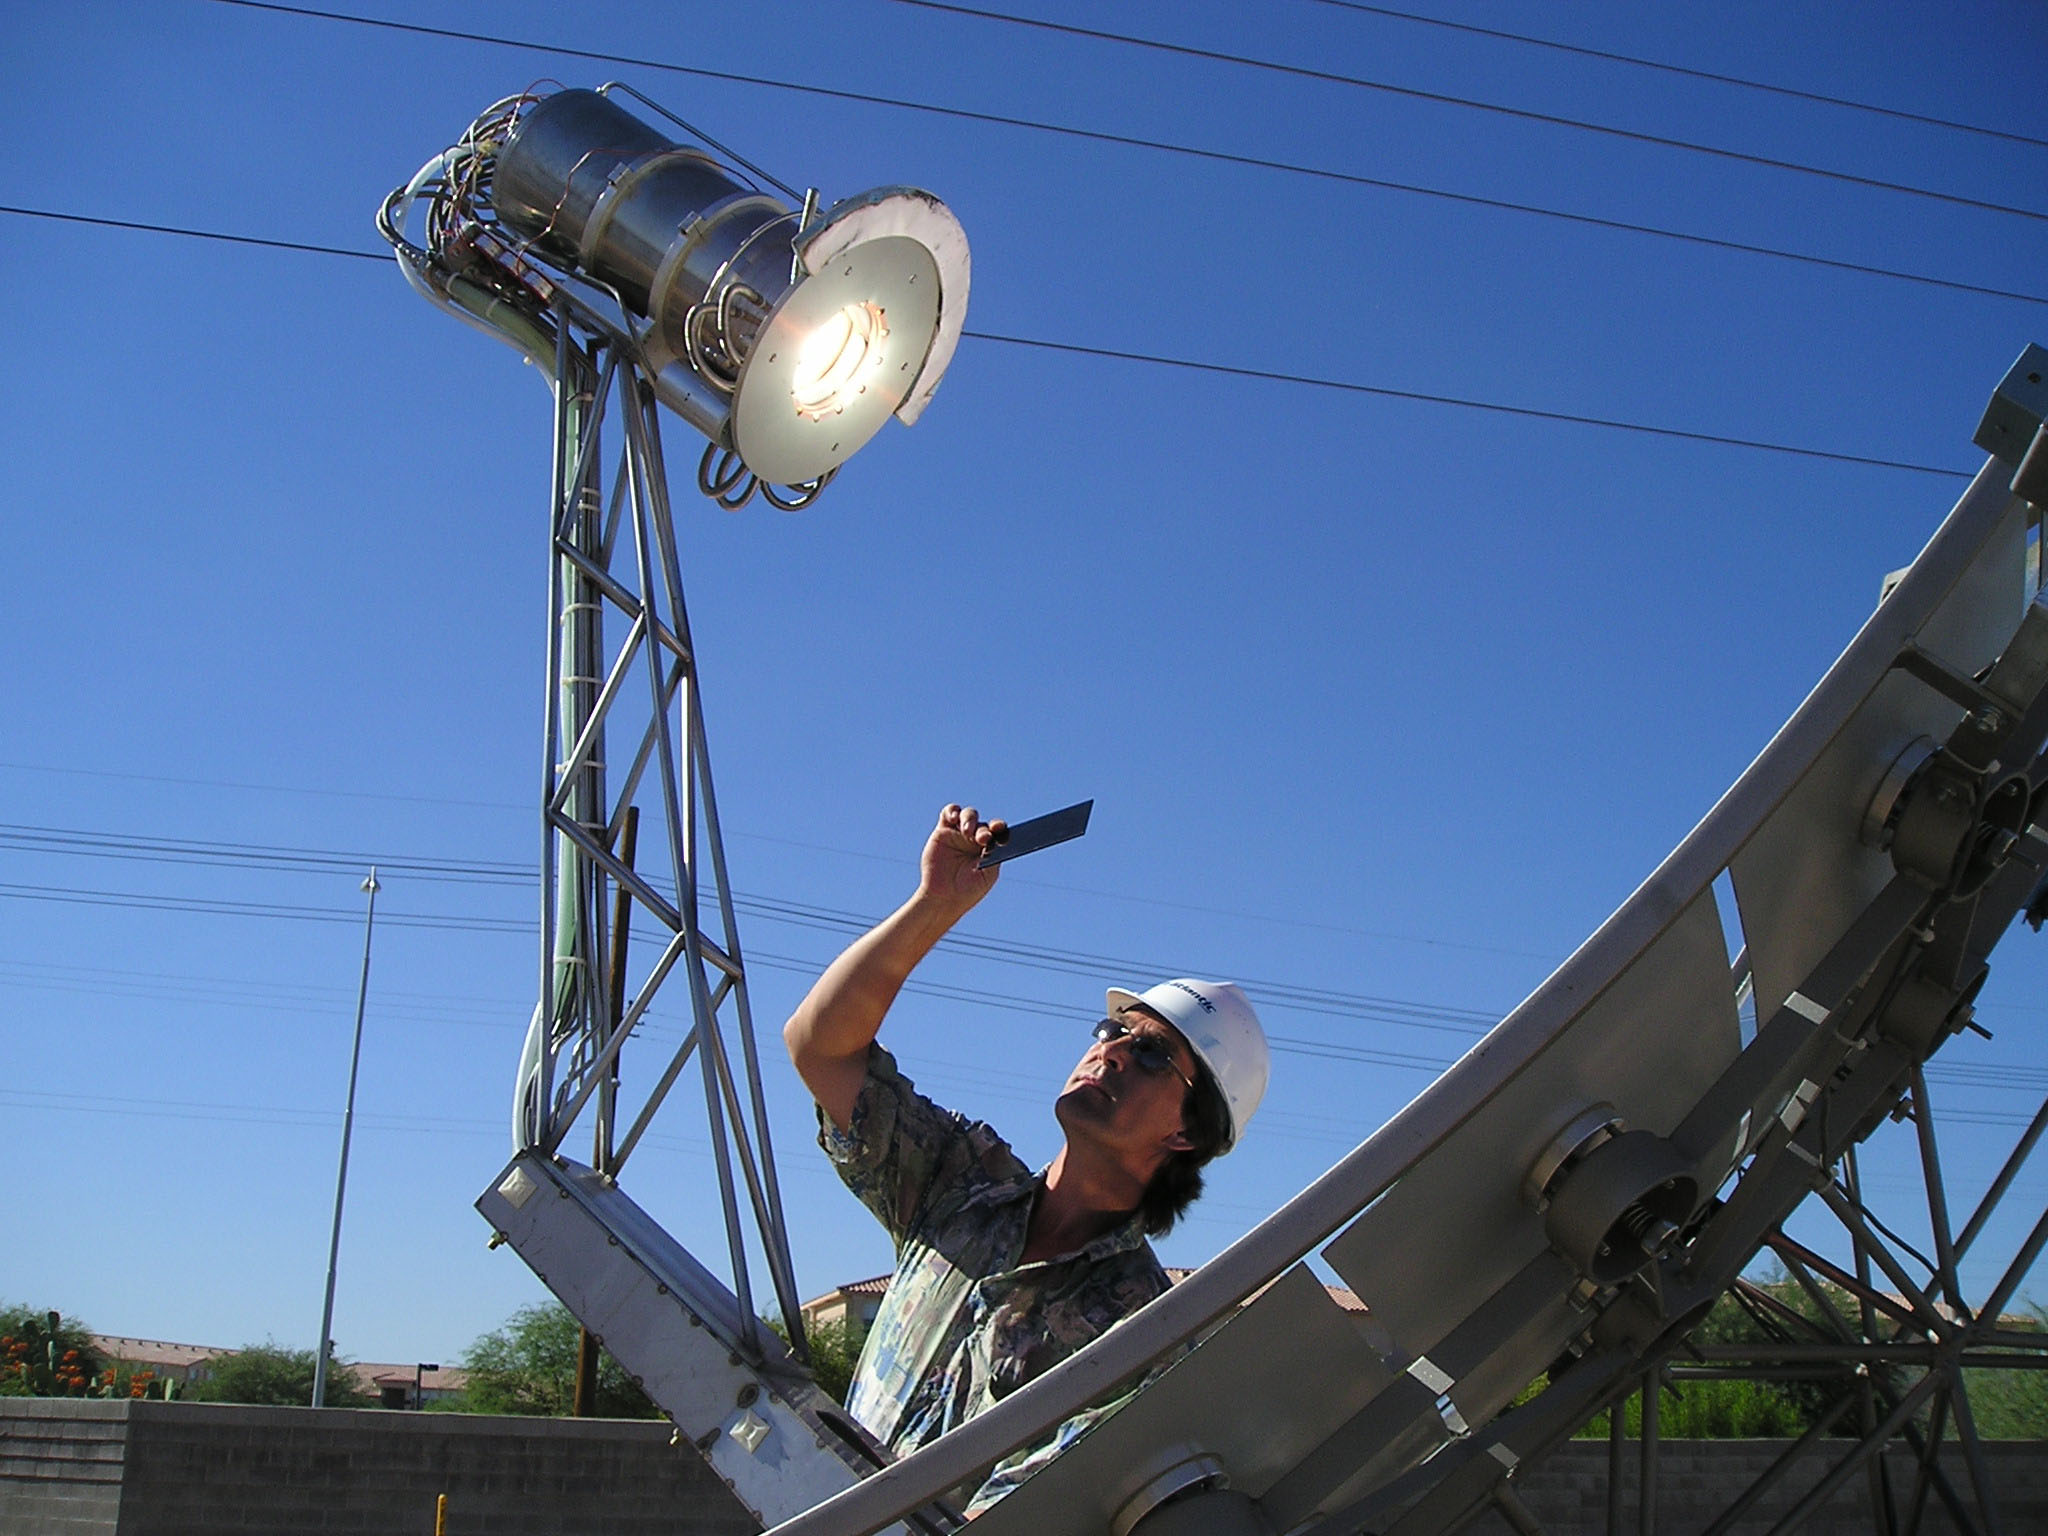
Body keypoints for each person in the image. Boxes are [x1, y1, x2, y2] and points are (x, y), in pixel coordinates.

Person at [782, 803, 1270, 1512]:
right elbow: (819, 1047)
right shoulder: (957, 1182)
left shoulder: (1143, 1340)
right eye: (1113, 1030)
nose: (1111, 1052)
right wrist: (934, 905)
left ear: (1187, 1135)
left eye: (1152, 1054)